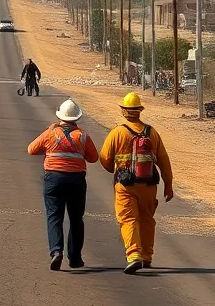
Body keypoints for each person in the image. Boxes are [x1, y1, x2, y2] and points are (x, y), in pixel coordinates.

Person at [99, 91, 174, 274]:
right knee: (147, 219)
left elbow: (105, 158)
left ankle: (134, 255)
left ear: (124, 112)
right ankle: (147, 256)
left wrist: (115, 170)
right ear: (139, 111)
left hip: (125, 186)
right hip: (149, 185)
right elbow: (164, 160)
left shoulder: (118, 132)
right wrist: (168, 185)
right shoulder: (152, 133)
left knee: (128, 218)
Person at [27, 98, 99, 270]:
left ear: (60, 116)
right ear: (76, 118)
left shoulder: (50, 133)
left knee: (54, 216)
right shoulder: (82, 136)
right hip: (76, 180)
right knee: (76, 219)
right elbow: (94, 158)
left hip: (53, 179)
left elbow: (31, 149)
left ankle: (56, 251)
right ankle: (75, 258)